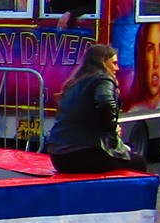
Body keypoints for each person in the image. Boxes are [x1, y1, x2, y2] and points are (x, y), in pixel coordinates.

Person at [45, 43, 147, 174]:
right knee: (139, 162)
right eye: (114, 63)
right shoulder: (103, 79)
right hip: (82, 154)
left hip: (58, 156)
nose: (117, 68)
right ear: (103, 63)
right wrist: (111, 127)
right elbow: (105, 101)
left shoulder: (73, 83)